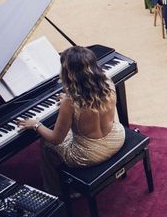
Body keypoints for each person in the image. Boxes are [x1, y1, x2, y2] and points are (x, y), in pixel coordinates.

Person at [17, 46, 126, 195]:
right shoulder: (107, 81)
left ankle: (57, 192)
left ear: (69, 72)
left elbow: (55, 139)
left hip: (89, 155)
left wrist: (36, 124)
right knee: (68, 129)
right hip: (117, 139)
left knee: (45, 142)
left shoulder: (70, 102)